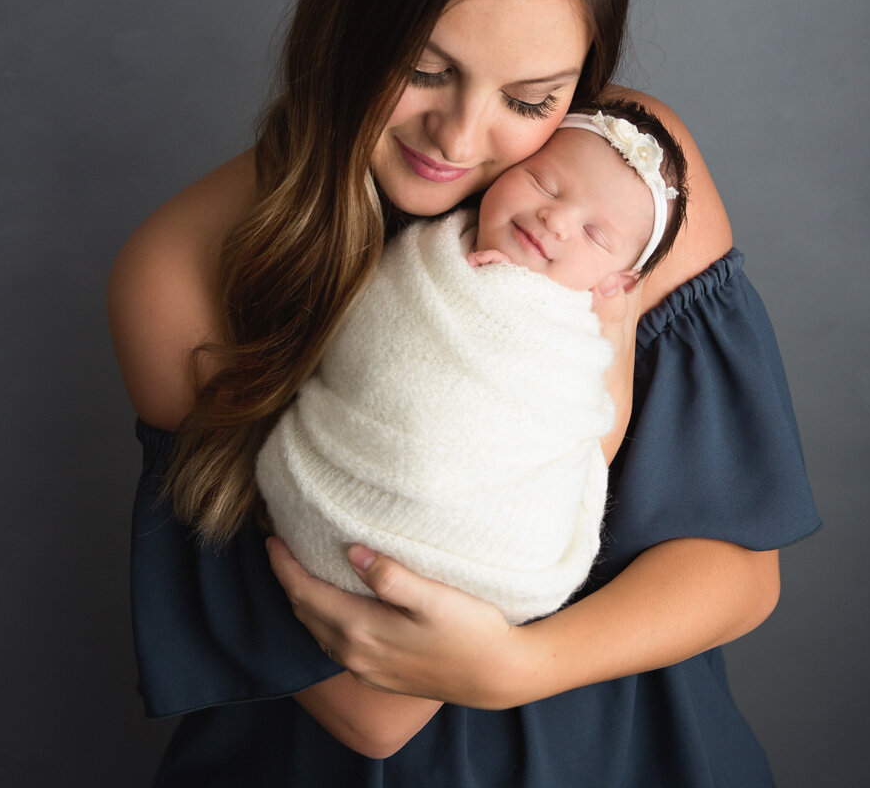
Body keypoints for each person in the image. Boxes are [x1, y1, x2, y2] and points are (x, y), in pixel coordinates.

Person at [109, 0, 820, 786]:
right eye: (424, 69)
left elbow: (738, 574)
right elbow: (372, 713)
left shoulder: (625, 190)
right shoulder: (181, 270)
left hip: (630, 754)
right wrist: (591, 414)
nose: (460, 139)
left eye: (532, 100)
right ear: (348, 15)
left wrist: (526, 664)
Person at [255, 104, 689, 626]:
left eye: (596, 235)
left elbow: (575, 425)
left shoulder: (569, 337)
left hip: (478, 546)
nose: (556, 218)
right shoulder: (425, 251)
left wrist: (514, 300)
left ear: (615, 284)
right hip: (342, 478)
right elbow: (357, 341)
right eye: (544, 183)